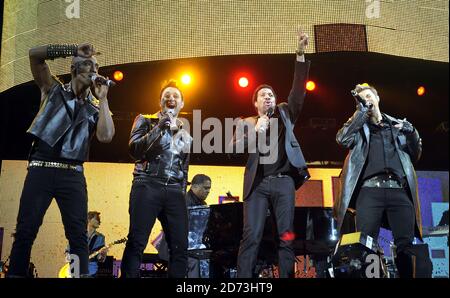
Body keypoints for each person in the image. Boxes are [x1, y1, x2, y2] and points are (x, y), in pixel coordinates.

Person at [7, 43, 115, 278]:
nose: (92, 68)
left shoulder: (94, 108)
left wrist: (104, 99)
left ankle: (79, 276)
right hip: (41, 169)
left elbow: (106, 137)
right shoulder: (52, 89)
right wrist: (73, 48)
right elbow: (33, 54)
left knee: (77, 235)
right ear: (73, 67)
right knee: (26, 231)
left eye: (96, 66)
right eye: (86, 63)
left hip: (72, 174)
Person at [230, 30, 311, 278]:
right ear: (255, 103)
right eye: (262, 95)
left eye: (271, 94)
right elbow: (234, 150)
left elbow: (298, 92)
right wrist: (256, 128)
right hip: (257, 185)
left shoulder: (286, 113)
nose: (268, 97)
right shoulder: (246, 122)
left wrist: (299, 55)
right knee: (251, 235)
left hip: (284, 183)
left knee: (286, 235)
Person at [334, 83, 425, 277]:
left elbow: (415, 154)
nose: (367, 100)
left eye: (369, 96)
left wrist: (412, 132)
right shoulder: (359, 128)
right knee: (367, 244)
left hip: (398, 191)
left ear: (378, 99)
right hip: (369, 192)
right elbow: (342, 139)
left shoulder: (397, 126)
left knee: (405, 244)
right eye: (362, 98)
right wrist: (360, 113)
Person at [120, 80, 192, 278]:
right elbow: (134, 150)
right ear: (160, 101)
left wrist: (181, 192)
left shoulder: (185, 133)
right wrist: (159, 127)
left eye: (176, 96)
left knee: (180, 248)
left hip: (175, 191)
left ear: (182, 103)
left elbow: (184, 168)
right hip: (147, 184)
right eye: (167, 95)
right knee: (137, 242)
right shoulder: (145, 119)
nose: (171, 98)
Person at [65, 211, 108, 277]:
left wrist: (103, 254)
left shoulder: (100, 238)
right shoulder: (77, 235)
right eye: (97, 219)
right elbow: (68, 252)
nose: (99, 221)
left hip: (90, 272)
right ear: (89, 220)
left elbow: (100, 259)